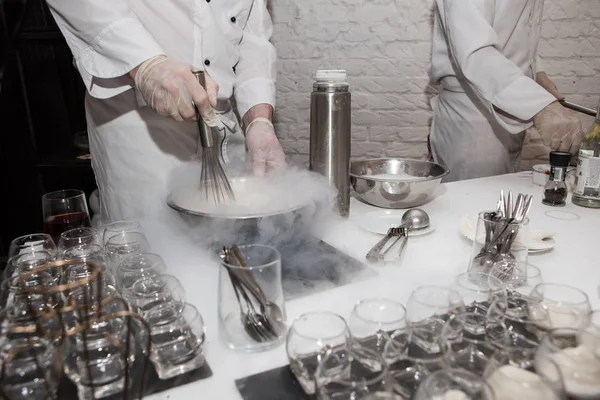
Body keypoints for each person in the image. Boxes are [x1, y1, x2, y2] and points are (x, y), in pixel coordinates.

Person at [46, 0, 286, 223]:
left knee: (232, 245)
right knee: (155, 247)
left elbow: (254, 40)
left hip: (221, 117)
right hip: (139, 119)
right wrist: (147, 65)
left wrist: (258, 120)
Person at [427, 0, 584, 182]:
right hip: (473, 117)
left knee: (501, 202)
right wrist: (540, 106)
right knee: (474, 203)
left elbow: (513, 29)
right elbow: (476, 53)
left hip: (507, 103)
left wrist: (536, 73)